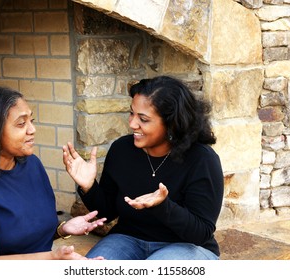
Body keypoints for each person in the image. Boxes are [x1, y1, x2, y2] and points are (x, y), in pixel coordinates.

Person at [63, 75, 224, 260]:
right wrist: (89, 187)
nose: (132, 124)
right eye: (132, 113)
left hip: (188, 246)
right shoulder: (122, 149)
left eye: (143, 119)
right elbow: (107, 213)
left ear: (172, 123)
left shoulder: (202, 159)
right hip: (127, 238)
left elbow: (201, 232)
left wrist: (163, 206)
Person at [0, 86, 106, 260]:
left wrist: (61, 229)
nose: (32, 129)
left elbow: (23, 237)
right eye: (21, 123)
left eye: (31, 120)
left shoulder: (31, 165)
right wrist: (53, 259)